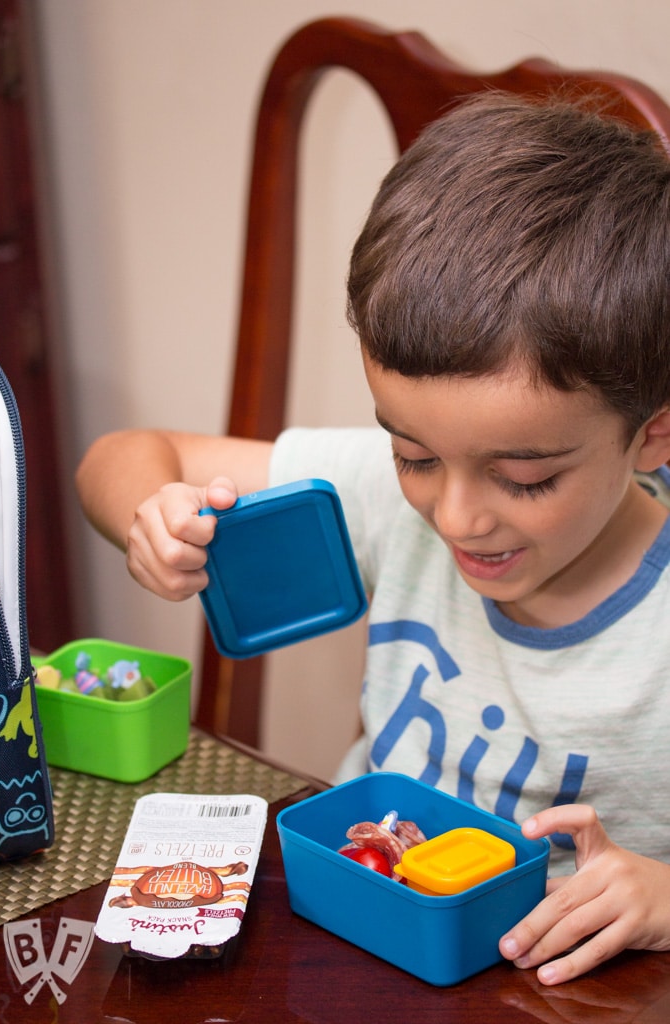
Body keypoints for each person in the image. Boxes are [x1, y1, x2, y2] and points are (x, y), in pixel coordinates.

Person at [76, 91, 670, 985]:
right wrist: (152, 513)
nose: (456, 515)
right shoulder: (389, 495)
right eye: (413, 453)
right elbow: (126, 455)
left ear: (652, 433)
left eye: (525, 479)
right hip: (349, 941)